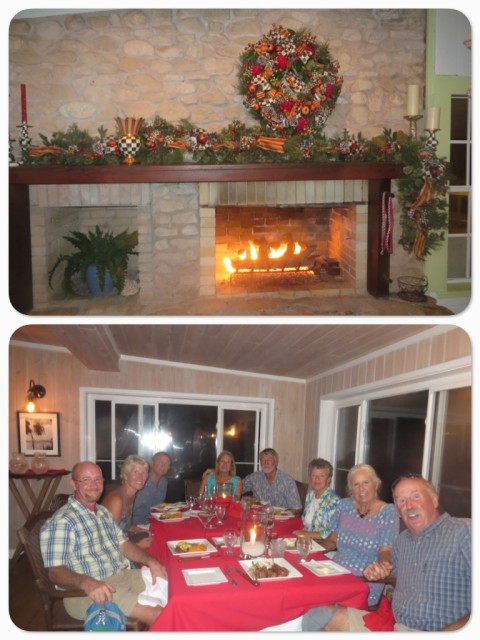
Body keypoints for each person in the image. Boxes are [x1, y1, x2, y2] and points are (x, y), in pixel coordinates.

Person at [304, 474, 471, 632]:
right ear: (398, 510)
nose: (409, 505)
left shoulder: (464, 531)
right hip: (394, 625)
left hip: (440, 630)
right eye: (401, 500)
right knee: (317, 614)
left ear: (434, 500)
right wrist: (378, 571)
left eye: (416, 497)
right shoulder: (403, 540)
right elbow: (390, 570)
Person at [40, 461, 168, 626]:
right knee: (159, 614)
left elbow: (124, 544)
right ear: (73, 484)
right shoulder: (63, 521)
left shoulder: (102, 513)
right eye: (86, 479)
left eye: (97, 479)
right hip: (86, 593)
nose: (93, 485)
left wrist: (151, 561)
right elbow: (55, 572)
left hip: (120, 577)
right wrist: (86, 582)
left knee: (171, 585)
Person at [302, 463, 399, 629]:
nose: (361, 488)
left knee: (311, 607)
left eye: (366, 482)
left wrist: (382, 566)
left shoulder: (388, 512)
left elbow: (385, 549)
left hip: (363, 581)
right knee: (302, 592)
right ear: (350, 489)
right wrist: (316, 551)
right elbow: (332, 539)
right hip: (334, 572)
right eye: (356, 484)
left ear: (376, 484)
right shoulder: (345, 506)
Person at [102, 454, 150, 547]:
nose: (140, 477)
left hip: (122, 542)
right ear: (125, 475)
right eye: (135, 472)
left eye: (143, 472)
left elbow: (121, 525)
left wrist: (136, 529)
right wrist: (137, 545)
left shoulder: (132, 495)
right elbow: (109, 540)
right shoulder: (117, 500)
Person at [242, 448, 302, 513]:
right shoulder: (254, 478)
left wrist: (282, 515)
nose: (266, 462)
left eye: (269, 460)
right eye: (263, 460)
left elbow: (296, 508)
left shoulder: (287, 481)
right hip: (259, 517)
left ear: (276, 462)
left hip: (281, 520)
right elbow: (239, 487)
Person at [293, 458, 340, 540]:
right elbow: (304, 522)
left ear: (329, 479)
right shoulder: (310, 495)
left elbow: (331, 533)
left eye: (322, 476)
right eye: (313, 475)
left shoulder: (334, 501)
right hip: (304, 540)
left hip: (322, 545)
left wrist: (307, 534)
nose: (317, 479)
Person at [132, 451, 171, 526]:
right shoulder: (141, 481)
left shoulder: (164, 482)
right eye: (160, 462)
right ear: (152, 463)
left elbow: (159, 507)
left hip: (155, 522)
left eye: (167, 464)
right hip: (136, 525)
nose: (164, 466)